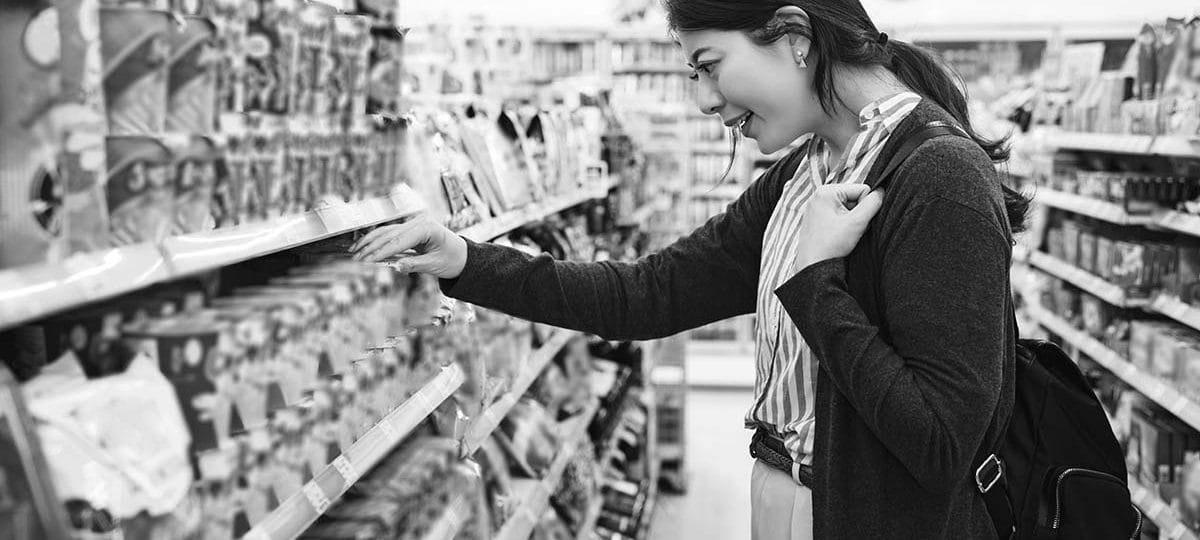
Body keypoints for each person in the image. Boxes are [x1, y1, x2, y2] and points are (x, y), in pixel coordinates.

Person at [351, 0, 1029, 537]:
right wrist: (465, 259)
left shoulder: (940, 177)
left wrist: (817, 277)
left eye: (710, 65)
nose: (705, 101)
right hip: (790, 496)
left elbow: (941, 442)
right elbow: (649, 294)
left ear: (796, 34)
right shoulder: (805, 173)